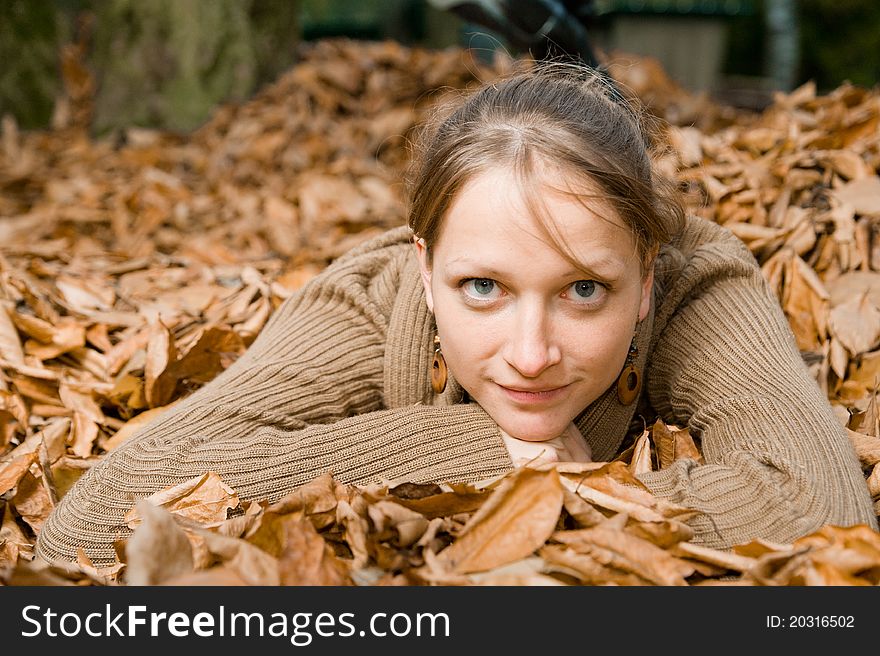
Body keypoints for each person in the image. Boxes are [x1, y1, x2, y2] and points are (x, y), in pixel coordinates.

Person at [36, 62, 877, 568]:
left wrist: (574, 490)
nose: (532, 353)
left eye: (585, 290)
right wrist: (486, 449)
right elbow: (97, 517)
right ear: (426, 271)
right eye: (484, 288)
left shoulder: (697, 283)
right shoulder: (369, 300)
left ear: (646, 277)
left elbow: (823, 510)